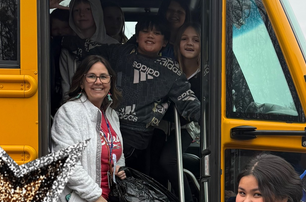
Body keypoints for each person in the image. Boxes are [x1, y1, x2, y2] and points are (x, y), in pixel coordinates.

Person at [56, 18, 200, 182]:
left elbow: (188, 101)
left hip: (135, 136)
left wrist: (209, 119)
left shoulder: (171, 70)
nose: (150, 36)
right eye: (145, 31)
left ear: (165, 42)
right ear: (137, 37)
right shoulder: (121, 52)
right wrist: (57, 37)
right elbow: (85, 49)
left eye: (157, 33)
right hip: (106, 125)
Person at [50, 54, 126, 202]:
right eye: (91, 76)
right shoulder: (69, 112)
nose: (98, 81)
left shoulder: (111, 114)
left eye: (103, 76)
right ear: (81, 82)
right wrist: (95, 197)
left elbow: (115, 151)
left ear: (110, 82)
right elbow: (65, 163)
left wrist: (116, 168)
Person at [159, 22, 202, 202]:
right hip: (166, 126)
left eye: (196, 40)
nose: (190, 43)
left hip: (194, 129)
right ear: (177, 43)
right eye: (185, 38)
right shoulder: (168, 69)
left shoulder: (208, 75)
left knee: (169, 160)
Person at [58, 0, 110, 100]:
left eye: (88, 9)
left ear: (97, 12)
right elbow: (66, 86)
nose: (82, 14)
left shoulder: (113, 46)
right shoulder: (68, 48)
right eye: (76, 10)